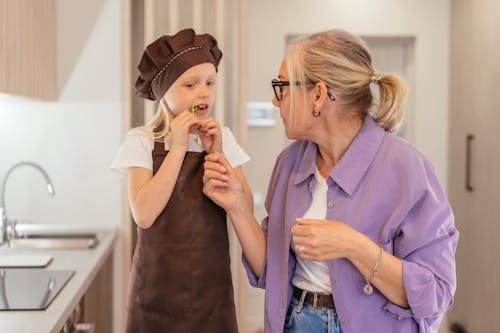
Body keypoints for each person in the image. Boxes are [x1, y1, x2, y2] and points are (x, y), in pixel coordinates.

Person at [202, 29, 458, 333]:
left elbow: (436, 293)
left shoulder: (408, 168)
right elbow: (272, 274)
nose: (275, 100)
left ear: (319, 95)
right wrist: (239, 209)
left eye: (282, 86)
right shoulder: (289, 164)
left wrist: (354, 246)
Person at [111, 28, 249, 333]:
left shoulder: (223, 138)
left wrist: (219, 153)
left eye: (210, 83)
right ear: (163, 91)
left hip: (212, 295)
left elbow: (245, 207)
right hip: (156, 297)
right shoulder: (142, 141)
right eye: (190, 84)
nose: (204, 92)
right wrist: (179, 149)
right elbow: (144, 215)